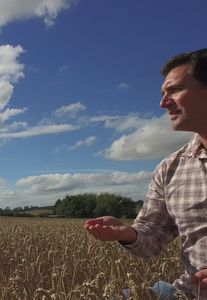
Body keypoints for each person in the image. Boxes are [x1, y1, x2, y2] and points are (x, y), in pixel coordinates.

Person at [85, 48, 207, 300]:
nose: (163, 103)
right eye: (163, 94)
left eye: (174, 90)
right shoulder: (170, 169)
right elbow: (152, 236)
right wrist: (127, 233)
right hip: (191, 293)